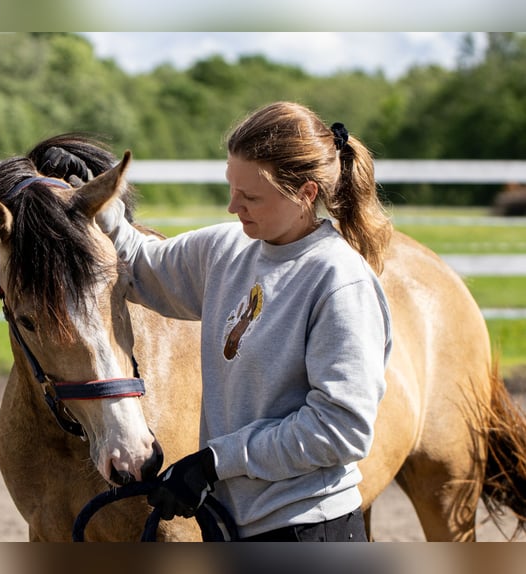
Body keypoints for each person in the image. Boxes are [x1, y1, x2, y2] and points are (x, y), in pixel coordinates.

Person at [38, 102, 393, 542]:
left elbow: (341, 431)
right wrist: (95, 200)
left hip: (308, 529)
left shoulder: (338, 281)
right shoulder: (228, 250)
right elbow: (141, 265)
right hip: (231, 527)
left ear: (304, 193)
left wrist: (214, 463)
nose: (231, 206)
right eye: (231, 188)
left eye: (250, 197)